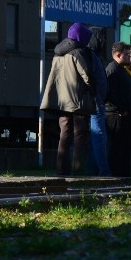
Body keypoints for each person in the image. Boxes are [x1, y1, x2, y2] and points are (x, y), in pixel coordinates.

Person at [40, 23, 95, 175]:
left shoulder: (58, 53)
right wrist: (93, 91)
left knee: (64, 135)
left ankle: (61, 170)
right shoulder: (78, 53)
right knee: (80, 136)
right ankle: (78, 170)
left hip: (62, 102)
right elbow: (87, 76)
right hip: (78, 101)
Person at [105, 41, 131, 177]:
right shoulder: (112, 70)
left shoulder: (121, 69)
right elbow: (111, 93)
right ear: (118, 55)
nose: (129, 56)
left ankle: (125, 172)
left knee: (125, 145)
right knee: (117, 146)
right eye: (126, 54)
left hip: (126, 115)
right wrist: (120, 109)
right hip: (117, 116)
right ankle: (117, 173)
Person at [86, 27, 111, 176]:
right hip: (96, 102)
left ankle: (93, 169)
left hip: (98, 101)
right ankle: (103, 170)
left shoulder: (94, 55)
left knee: (96, 138)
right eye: (101, 38)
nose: (103, 41)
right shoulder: (92, 56)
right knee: (99, 137)